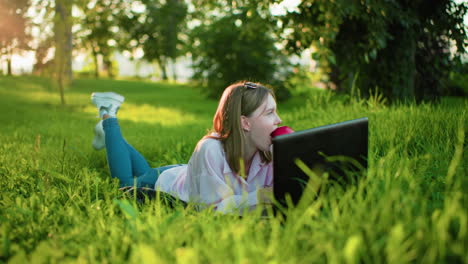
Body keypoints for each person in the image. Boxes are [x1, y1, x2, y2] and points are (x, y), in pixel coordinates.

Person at [91, 81, 282, 213]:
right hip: (166, 183)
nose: (278, 120)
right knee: (125, 183)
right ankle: (108, 115)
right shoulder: (210, 149)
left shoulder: (271, 154)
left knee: (143, 170)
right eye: (270, 113)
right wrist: (260, 196)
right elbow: (210, 209)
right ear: (245, 123)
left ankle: (109, 135)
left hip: (189, 175)